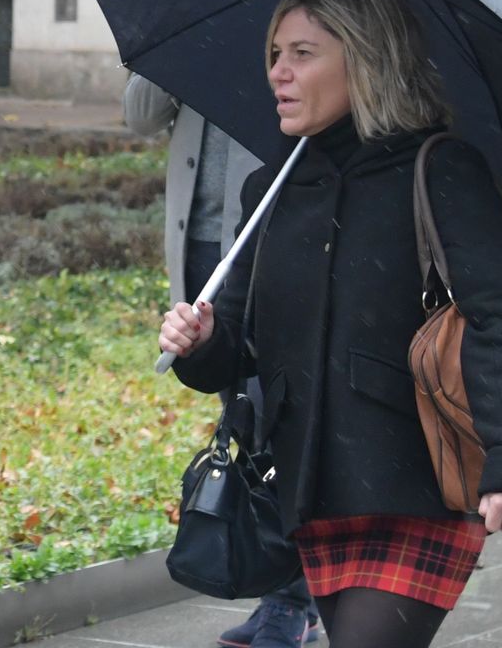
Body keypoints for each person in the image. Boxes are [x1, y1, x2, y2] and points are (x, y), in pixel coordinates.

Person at [158, 0, 502, 648]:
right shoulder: (273, 187)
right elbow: (240, 348)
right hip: (310, 487)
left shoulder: (439, 171)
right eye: (275, 55)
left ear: (367, 59)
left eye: (302, 54)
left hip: (417, 482)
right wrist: (202, 340)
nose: (279, 72)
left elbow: (501, 317)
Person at [124, 74, 322, 647]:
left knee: (274, 425)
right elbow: (140, 115)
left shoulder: (280, 43)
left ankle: (291, 599)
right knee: (244, 422)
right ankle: (284, 593)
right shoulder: (205, 30)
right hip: (203, 246)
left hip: (265, 232)